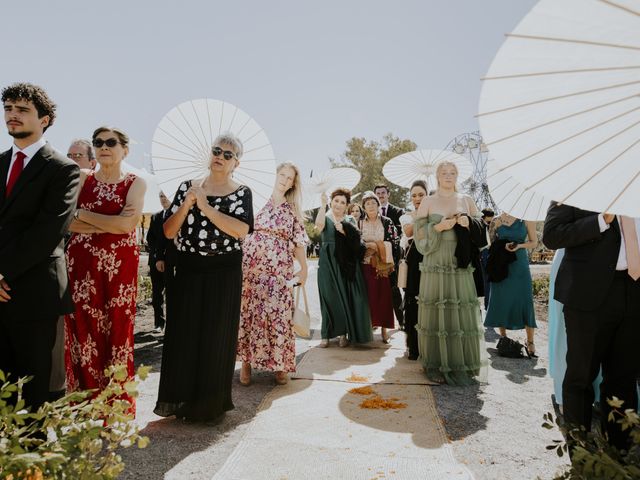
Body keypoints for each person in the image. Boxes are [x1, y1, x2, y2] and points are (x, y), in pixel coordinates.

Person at [155, 133, 253, 422]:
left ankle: (210, 405)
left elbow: (241, 230)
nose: (220, 157)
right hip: (187, 270)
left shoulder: (241, 192)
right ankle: (180, 399)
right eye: (217, 151)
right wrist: (187, 204)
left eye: (228, 154)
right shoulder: (187, 187)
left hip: (224, 271)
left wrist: (207, 208)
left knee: (216, 334)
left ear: (236, 162)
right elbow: (169, 232)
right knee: (184, 333)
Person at [0, 83, 80, 410]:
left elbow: (48, 232)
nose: (12, 115)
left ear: (44, 119)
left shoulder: (62, 169)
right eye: (8, 109)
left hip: (35, 292)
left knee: (35, 388)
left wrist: (2, 273)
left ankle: (37, 458)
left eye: (22, 110)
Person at [543, 205, 640, 450]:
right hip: (587, 295)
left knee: (624, 379)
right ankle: (580, 452)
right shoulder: (580, 184)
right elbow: (552, 235)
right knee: (581, 376)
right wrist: (600, 220)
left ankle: (622, 452)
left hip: (634, 291)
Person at [65, 127, 146, 412]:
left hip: (119, 269)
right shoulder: (82, 178)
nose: (104, 147)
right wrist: (108, 222)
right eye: (98, 143)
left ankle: (116, 405)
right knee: (83, 329)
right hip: (82, 267)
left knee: (117, 330)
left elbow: (127, 225)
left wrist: (85, 215)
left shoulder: (136, 183)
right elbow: (66, 223)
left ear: (125, 149)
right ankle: (85, 403)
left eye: (111, 142)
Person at [414, 161, 487, 385]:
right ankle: (436, 364)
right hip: (435, 259)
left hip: (459, 261)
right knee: (436, 307)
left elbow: (482, 228)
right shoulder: (427, 200)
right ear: (437, 176)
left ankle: (462, 363)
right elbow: (417, 234)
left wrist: (468, 222)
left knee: (460, 307)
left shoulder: (466, 200)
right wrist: (437, 228)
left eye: (452, 172)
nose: (448, 176)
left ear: (458, 176)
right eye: (444, 172)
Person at [237, 162, 308, 386]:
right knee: (250, 312)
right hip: (252, 266)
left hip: (280, 270)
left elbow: (298, 242)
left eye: (290, 178)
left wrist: (304, 268)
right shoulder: (255, 200)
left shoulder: (292, 210)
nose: (285, 180)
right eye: (282, 175)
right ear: (274, 174)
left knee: (278, 314)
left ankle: (280, 365)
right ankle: (246, 363)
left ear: (293, 184)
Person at [315, 188, 372, 347]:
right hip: (327, 261)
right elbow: (318, 227)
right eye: (336, 201)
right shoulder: (326, 217)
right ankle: (325, 334)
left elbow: (357, 243)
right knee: (327, 296)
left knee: (342, 296)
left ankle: (342, 334)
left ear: (347, 205)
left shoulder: (350, 220)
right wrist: (322, 205)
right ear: (331, 202)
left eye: (342, 202)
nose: (338, 205)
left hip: (344, 262)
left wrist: (345, 231)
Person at [484, 212, 538, 356]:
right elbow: (490, 244)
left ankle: (530, 341)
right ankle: (503, 338)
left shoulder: (526, 219)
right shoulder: (496, 220)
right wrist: (501, 240)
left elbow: (534, 242)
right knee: (501, 298)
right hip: (501, 264)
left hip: (520, 264)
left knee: (525, 299)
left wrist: (519, 245)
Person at [360, 191, 398, 343]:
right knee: (368, 298)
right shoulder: (360, 223)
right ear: (364, 207)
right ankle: (368, 327)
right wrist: (365, 247)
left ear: (378, 205)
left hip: (382, 266)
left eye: (373, 203)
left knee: (384, 298)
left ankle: (384, 330)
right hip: (366, 265)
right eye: (367, 204)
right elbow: (355, 242)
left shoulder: (387, 221)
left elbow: (395, 242)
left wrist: (377, 246)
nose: (371, 206)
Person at [399, 180, 428, 360]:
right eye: (414, 196)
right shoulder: (406, 215)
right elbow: (410, 232)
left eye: (421, 195)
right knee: (413, 300)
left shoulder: (435, 212)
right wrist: (421, 216)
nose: (417, 198)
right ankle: (414, 346)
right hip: (414, 259)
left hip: (432, 257)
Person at [375, 184, 404, 327]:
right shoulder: (369, 212)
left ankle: (401, 320)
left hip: (392, 256)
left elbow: (400, 231)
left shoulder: (398, 212)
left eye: (383, 193)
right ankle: (376, 321)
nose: (380, 195)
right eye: (378, 193)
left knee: (394, 289)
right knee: (376, 288)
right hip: (375, 257)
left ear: (388, 194)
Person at [146, 192, 172, 333]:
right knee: (156, 294)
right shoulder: (155, 217)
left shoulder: (177, 215)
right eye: (160, 196)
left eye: (165, 196)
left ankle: (172, 324)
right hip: (155, 261)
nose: (163, 199)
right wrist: (157, 256)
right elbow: (151, 239)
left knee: (172, 293)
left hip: (171, 261)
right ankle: (159, 323)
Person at [479, 208, 494, 310]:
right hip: (485, 253)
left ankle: (487, 305)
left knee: (487, 280)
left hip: (485, 253)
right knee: (487, 280)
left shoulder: (485, 225)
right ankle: (488, 305)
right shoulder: (482, 225)